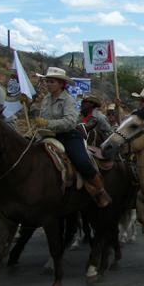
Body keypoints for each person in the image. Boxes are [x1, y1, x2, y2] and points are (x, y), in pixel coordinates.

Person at [33, 67, 111, 208]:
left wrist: (48, 123)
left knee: (81, 161)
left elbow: (69, 122)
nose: (48, 84)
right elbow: (42, 119)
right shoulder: (45, 99)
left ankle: (100, 190)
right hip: (47, 135)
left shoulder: (68, 100)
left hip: (68, 136)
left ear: (62, 84)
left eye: (52, 82)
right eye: (47, 81)